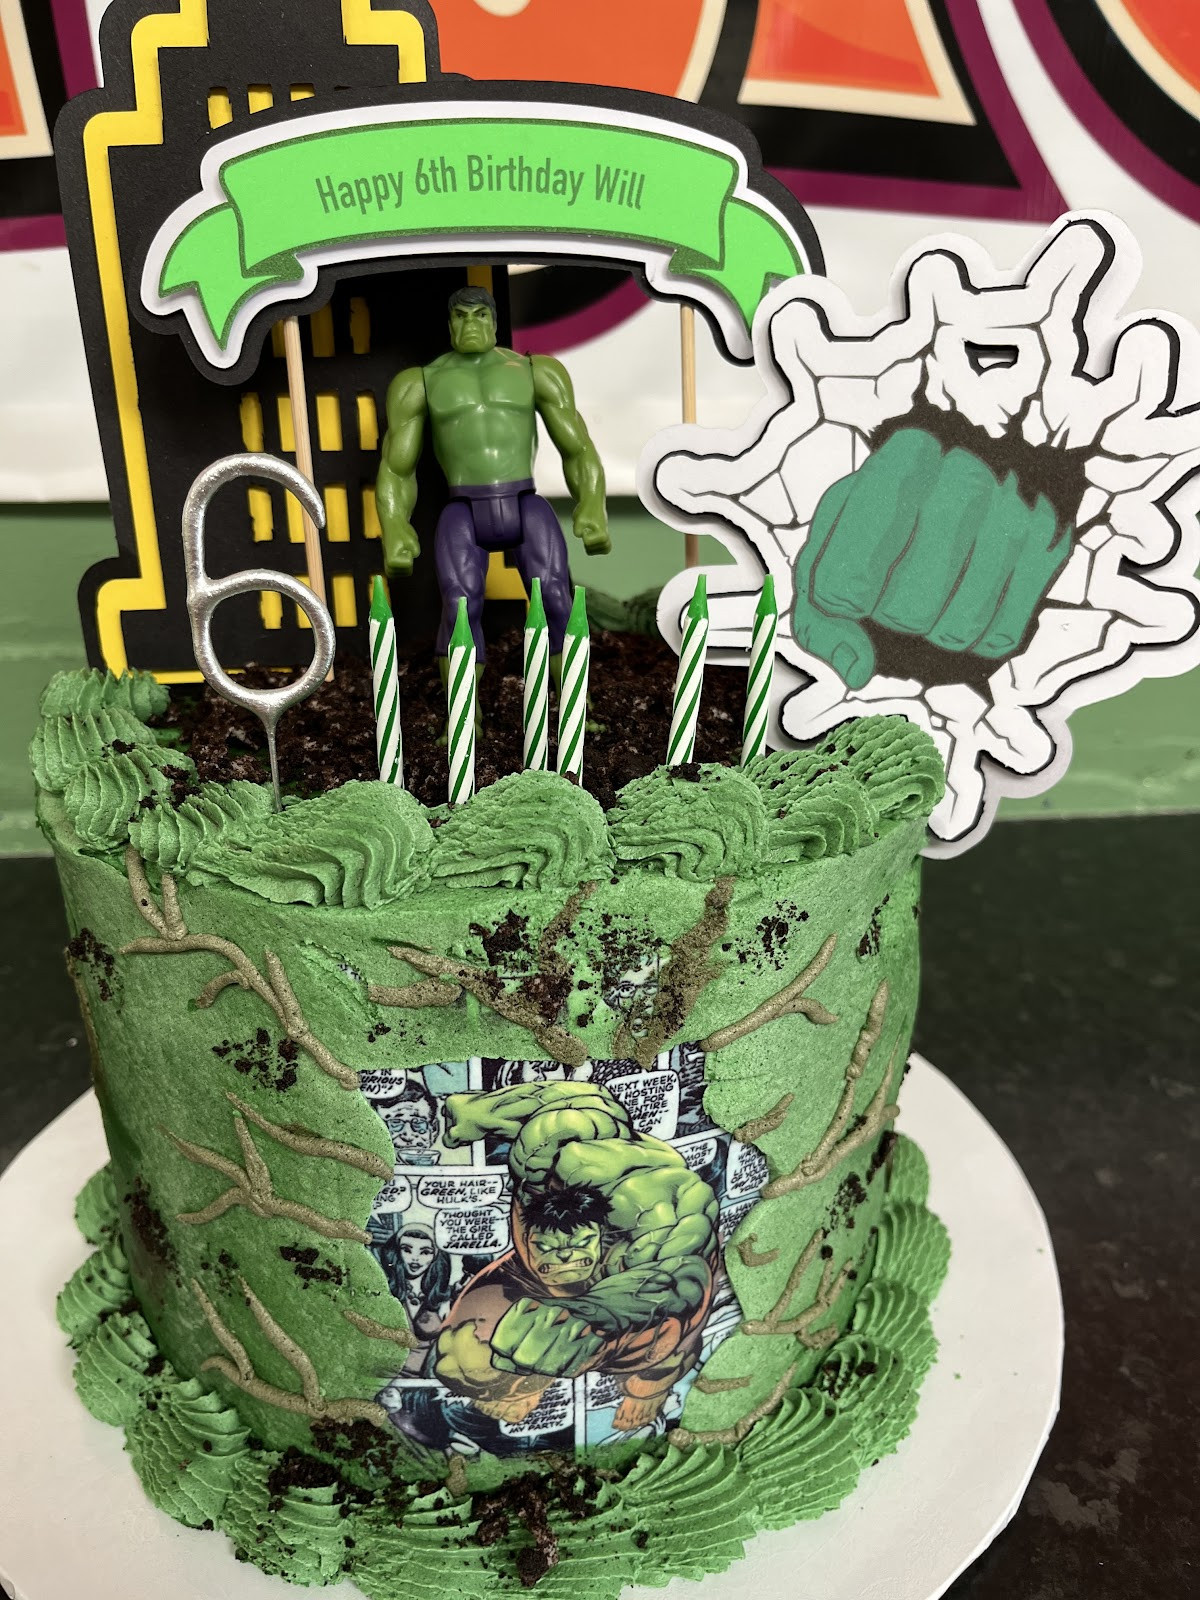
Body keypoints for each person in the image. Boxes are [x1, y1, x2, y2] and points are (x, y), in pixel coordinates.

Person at [432, 1080, 720, 1433]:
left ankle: (649, 1385)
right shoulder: (542, 1179)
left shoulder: (649, 1231)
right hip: (554, 1252)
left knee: (660, 1347)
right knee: (473, 1347)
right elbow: (572, 1117)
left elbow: (677, 1281)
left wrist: (594, 1318)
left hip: (638, 1292)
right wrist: (493, 1112)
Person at [375, 285, 610, 672]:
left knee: (555, 595)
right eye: (461, 315)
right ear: (449, 324)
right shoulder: (420, 382)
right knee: (459, 605)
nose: (470, 323)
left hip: (525, 503)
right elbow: (397, 466)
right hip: (463, 510)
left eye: (480, 314)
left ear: (494, 321)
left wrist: (592, 504)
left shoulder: (536, 371)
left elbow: (578, 447)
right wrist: (395, 524)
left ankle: (575, 698)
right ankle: (464, 704)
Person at [375, 1222, 455, 1376]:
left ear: (435, 1256)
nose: (415, 1258)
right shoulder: (386, 1291)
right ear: (397, 1252)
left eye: (425, 1252)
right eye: (407, 1250)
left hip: (428, 1380)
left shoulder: (443, 1298)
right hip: (387, 1377)